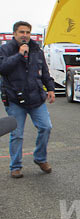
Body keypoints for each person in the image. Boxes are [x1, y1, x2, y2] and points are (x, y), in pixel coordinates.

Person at [0, 21, 55, 179]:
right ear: (14, 34)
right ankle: (15, 166)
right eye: (21, 32)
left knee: (46, 127)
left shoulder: (37, 50)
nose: (25, 35)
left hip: (36, 98)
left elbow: (44, 71)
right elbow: (2, 68)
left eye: (27, 32)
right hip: (15, 100)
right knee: (17, 134)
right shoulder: (5, 49)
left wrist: (50, 88)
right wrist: (19, 55)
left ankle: (40, 158)